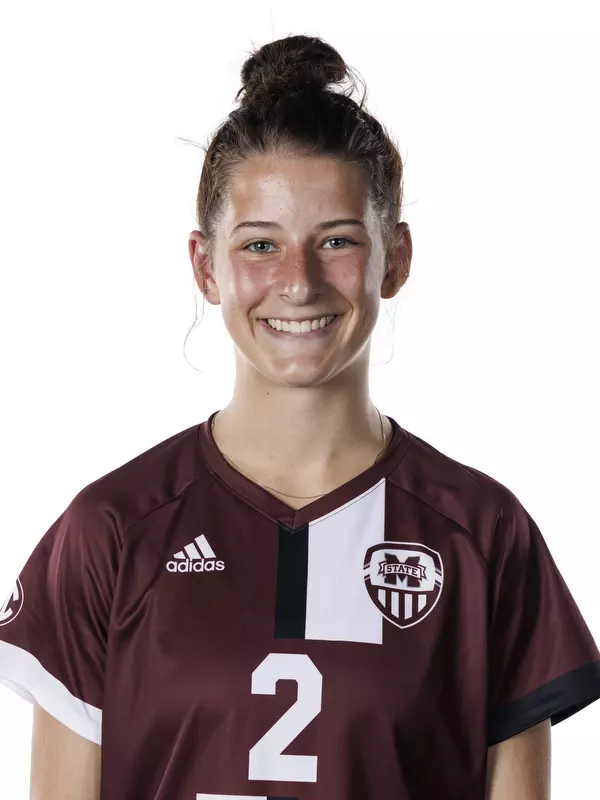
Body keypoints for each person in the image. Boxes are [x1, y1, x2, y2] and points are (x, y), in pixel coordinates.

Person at [0, 32, 599, 800]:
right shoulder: (112, 530)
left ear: (398, 257)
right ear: (205, 266)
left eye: (338, 241)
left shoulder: (481, 533)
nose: (299, 282)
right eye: (260, 244)